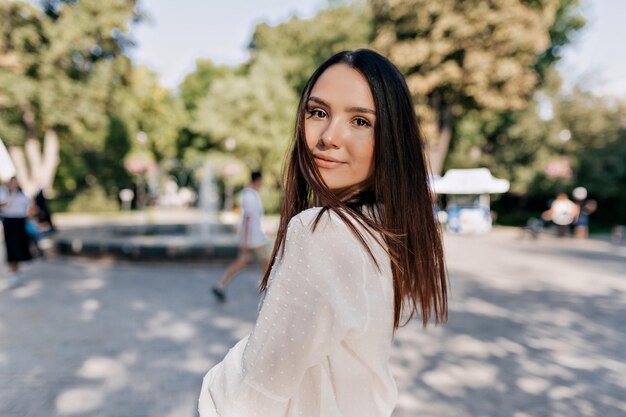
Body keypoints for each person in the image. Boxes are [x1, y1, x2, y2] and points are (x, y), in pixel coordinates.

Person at [198, 49, 447, 417]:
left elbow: (250, 400)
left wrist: (220, 378)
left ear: (392, 139)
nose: (329, 136)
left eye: (360, 121)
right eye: (318, 112)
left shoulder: (323, 232)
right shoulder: (381, 229)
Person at [211, 170, 269, 302]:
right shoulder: (249, 195)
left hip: (253, 237)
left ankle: (220, 285)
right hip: (255, 239)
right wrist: (245, 241)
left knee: (243, 263)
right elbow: (247, 219)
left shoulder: (250, 194)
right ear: (258, 180)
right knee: (267, 263)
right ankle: (268, 291)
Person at [0, 177, 33, 289]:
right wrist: (11, 195)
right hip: (10, 222)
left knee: (19, 248)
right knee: (12, 248)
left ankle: (17, 274)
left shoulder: (22, 194)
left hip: (20, 222)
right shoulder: (4, 192)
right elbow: (4, 205)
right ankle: (12, 274)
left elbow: (29, 207)